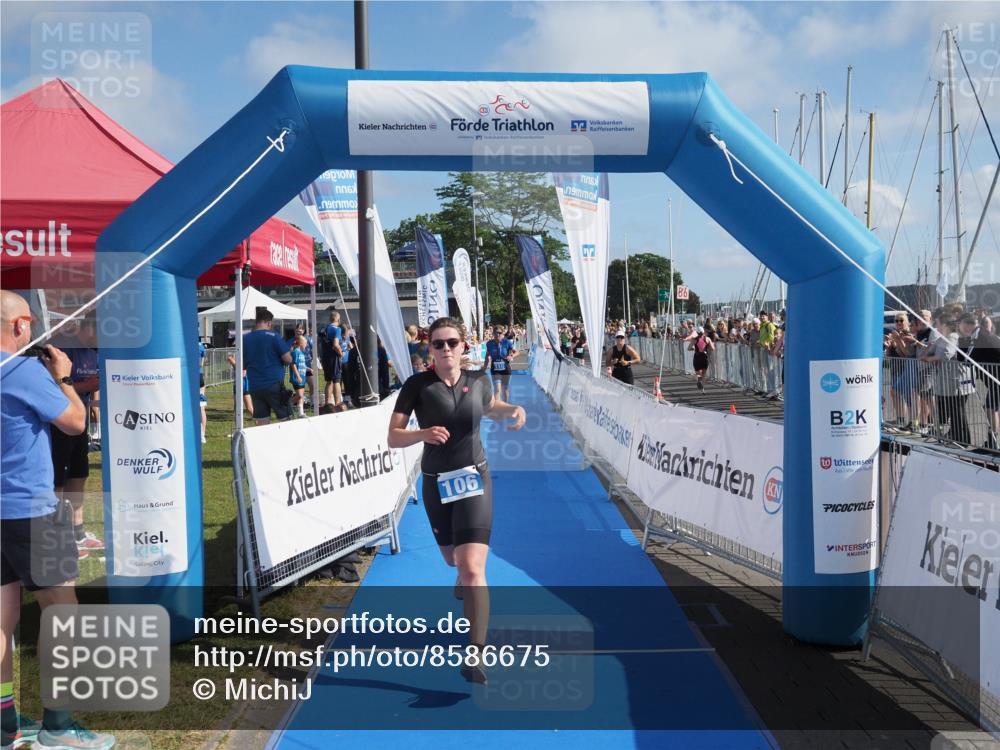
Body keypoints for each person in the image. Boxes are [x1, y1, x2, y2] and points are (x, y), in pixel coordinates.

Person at [1, 291, 115, 750]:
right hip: (30, 508)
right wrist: (64, 378)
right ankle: (59, 724)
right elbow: (74, 422)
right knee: (63, 616)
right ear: (20, 325)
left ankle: (5, 725)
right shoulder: (22, 370)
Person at [386, 317, 525, 685]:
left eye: (451, 343)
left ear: (464, 346)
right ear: (428, 348)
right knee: (453, 560)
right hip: (436, 484)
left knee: (474, 568)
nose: (445, 349)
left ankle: (475, 654)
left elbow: (489, 406)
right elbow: (393, 437)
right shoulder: (417, 386)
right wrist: (423, 433)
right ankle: (461, 577)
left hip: (474, 479)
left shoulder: (477, 380)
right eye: (437, 344)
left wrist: (512, 410)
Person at [50, 318, 103, 560]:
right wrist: (85, 385)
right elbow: (54, 386)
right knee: (58, 482)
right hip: (59, 424)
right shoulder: (62, 351)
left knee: (79, 476)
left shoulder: (92, 352)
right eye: (96, 331)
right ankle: (59, 535)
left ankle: (78, 532)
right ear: (85, 327)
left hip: (80, 424)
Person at [243, 307, 293, 425]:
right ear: (269, 322)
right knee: (285, 419)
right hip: (273, 384)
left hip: (255, 386)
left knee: (262, 421)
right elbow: (288, 359)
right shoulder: (273, 336)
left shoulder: (245, 339)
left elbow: (243, 363)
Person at [484, 328, 516, 401]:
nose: (497, 334)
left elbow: (516, 352)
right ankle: (497, 407)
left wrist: (511, 356)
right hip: (495, 370)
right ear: (493, 334)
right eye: (495, 333)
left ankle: (505, 405)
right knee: (497, 389)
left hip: (506, 369)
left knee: (505, 390)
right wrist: (484, 368)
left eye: (499, 333)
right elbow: (487, 356)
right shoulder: (489, 344)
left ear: (502, 334)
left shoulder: (507, 342)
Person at [322, 311, 344, 407]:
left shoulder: (324, 328)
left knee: (329, 381)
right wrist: (340, 353)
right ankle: (338, 404)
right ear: (338, 319)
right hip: (334, 358)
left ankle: (327, 404)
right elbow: (335, 344)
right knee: (337, 380)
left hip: (325, 357)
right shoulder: (337, 329)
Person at [689, 325, 715, 390]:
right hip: (705, 357)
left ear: (697, 332)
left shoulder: (694, 339)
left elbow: (689, 348)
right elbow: (713, 348)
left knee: (698, 372)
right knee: (704, 373)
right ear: (703, 332)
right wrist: (707, 347)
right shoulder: (707, 339)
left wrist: (693, 348)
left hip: (697, 356)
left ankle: (699, 380)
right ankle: (702, 388)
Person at [289, 335, 309, 418]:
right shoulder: (295, 352)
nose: (306, 345)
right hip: (297, 378)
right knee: (299, 396)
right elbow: (293, 365)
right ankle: (287, 404)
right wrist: (298, 376)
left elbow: (302, 365)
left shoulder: (302, 353)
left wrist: (309, 369)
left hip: (303, 377)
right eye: (305, 344)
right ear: (301, 344)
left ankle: (301, 413)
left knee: (301, 396)